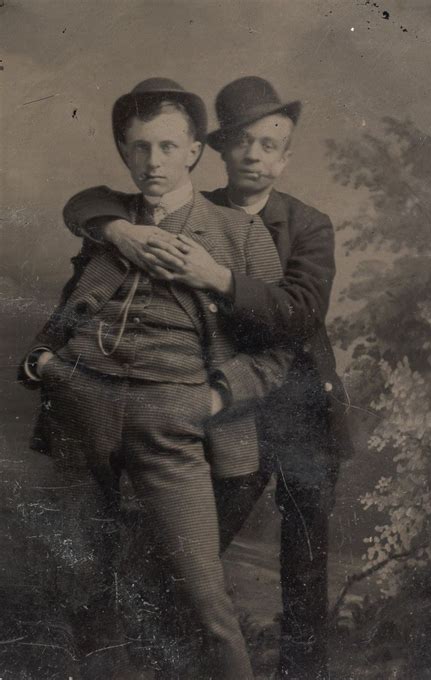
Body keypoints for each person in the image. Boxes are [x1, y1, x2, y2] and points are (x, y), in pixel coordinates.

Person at [61, 76, 354, 680]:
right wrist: (117, 229)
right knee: (191, 558)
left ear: (287, 154)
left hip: (297, 410)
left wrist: (216, 277)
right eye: (243, 142)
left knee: (302, 566)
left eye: (271, 144)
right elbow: (89, 203)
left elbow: (299, 314)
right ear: (214, 149)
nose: (255, 156)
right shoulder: (196, 207)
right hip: (225, 411)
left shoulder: (306, 224)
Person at [19, 78, 295, 680]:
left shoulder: (240, 233)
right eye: (139, 147)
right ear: (123, 149)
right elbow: (75, 298)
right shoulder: (108, 221)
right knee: (86, 588)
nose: (153, 162)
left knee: (206, 605)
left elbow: (277, 353)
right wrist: (45, 363)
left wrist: (214, 398)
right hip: (80, 402)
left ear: (196, 149)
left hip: (174, 416)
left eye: (168, 147)